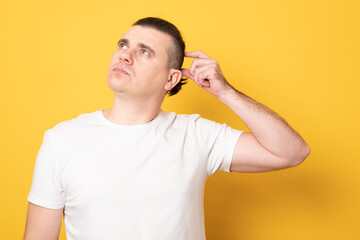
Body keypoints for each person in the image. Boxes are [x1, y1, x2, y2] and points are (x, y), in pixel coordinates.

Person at [24, 17, 310, 240]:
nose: (125, 55)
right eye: (123, 45)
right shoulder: (61, 140)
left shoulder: (195, 135)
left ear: (171, 79)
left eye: (144, 52)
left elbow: (292, 152)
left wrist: (226, 93)